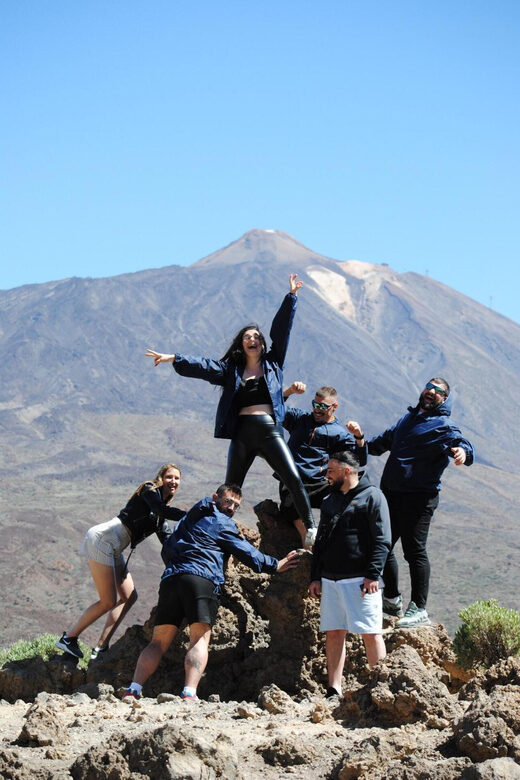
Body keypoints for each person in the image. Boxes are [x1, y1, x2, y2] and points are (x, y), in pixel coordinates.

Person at [145, 273, 317, 547]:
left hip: (269, 430)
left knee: (292, 476)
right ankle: (215, 530)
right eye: (247, 337)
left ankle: (310, 528)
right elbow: (204, 366)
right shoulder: (231, 371)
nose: (253, 340)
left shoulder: (273, 364)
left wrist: (291, 297)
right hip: (242, 435)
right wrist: (174, 358)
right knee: (230, 488)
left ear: (262, 344)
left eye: (256, 337)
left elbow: (282, 331)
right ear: (241, 344)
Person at [122, 484, 300, 701]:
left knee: (157, 642)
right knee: (199, 639)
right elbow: (246, 552)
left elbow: (167, 548)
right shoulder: (221, 522)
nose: (231, 508)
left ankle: (134, 688)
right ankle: (189, 693)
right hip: (201, 579)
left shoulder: (187, 519)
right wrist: (275, 565)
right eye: (228, 502)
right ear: (216, 498)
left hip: (171, 579)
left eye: (236, 505)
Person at [347, 377, 474, 628]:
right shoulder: (408, 420)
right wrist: (359, 437)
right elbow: (376, 446)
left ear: (444, 400)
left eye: (438, 391)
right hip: (392, 494)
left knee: (414, 551)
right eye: (429, 387)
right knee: (381, 544)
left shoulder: (444, 426)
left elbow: (463, 444)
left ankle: (419, 608)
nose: (431, 392)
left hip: (419, 498)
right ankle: (392, 598)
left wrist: (463, 453)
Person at [56, 463, 184, 661]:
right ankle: (69, 638)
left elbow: (167, 542)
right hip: (103, 540)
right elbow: (161, 509)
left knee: (129, 596)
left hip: (115, 547)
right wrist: (191, 515)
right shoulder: (149, 489)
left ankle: (100, 647)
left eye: (177, 478)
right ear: (161, 477)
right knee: (108, 601)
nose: (173, 481)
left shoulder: (159, 517)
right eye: (169, 477)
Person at [309, 451, 390, 698]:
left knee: (370, 632)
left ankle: (383, 686)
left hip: (361, 580)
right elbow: (320, 541)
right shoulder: (330, 499)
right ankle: (334, 688)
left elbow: (382, 540)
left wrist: (373, 574)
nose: (327, 475)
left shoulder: (372, 496)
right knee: (334, 632)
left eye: (331, 471)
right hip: (331, 579)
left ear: (347, 471)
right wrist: (315, 576)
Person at [279, 382, 366, 546]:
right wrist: (289, 391)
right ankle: (310, 544)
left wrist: (359, 437)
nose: (317, 409)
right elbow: (274, 409)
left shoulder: (339, 434)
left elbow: (358, 461)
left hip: (318, 484)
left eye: (323, 406)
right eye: (315, 404)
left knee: (351, 494)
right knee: (290, 507)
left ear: (335, 406)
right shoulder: (300, 419)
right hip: (292, 481)